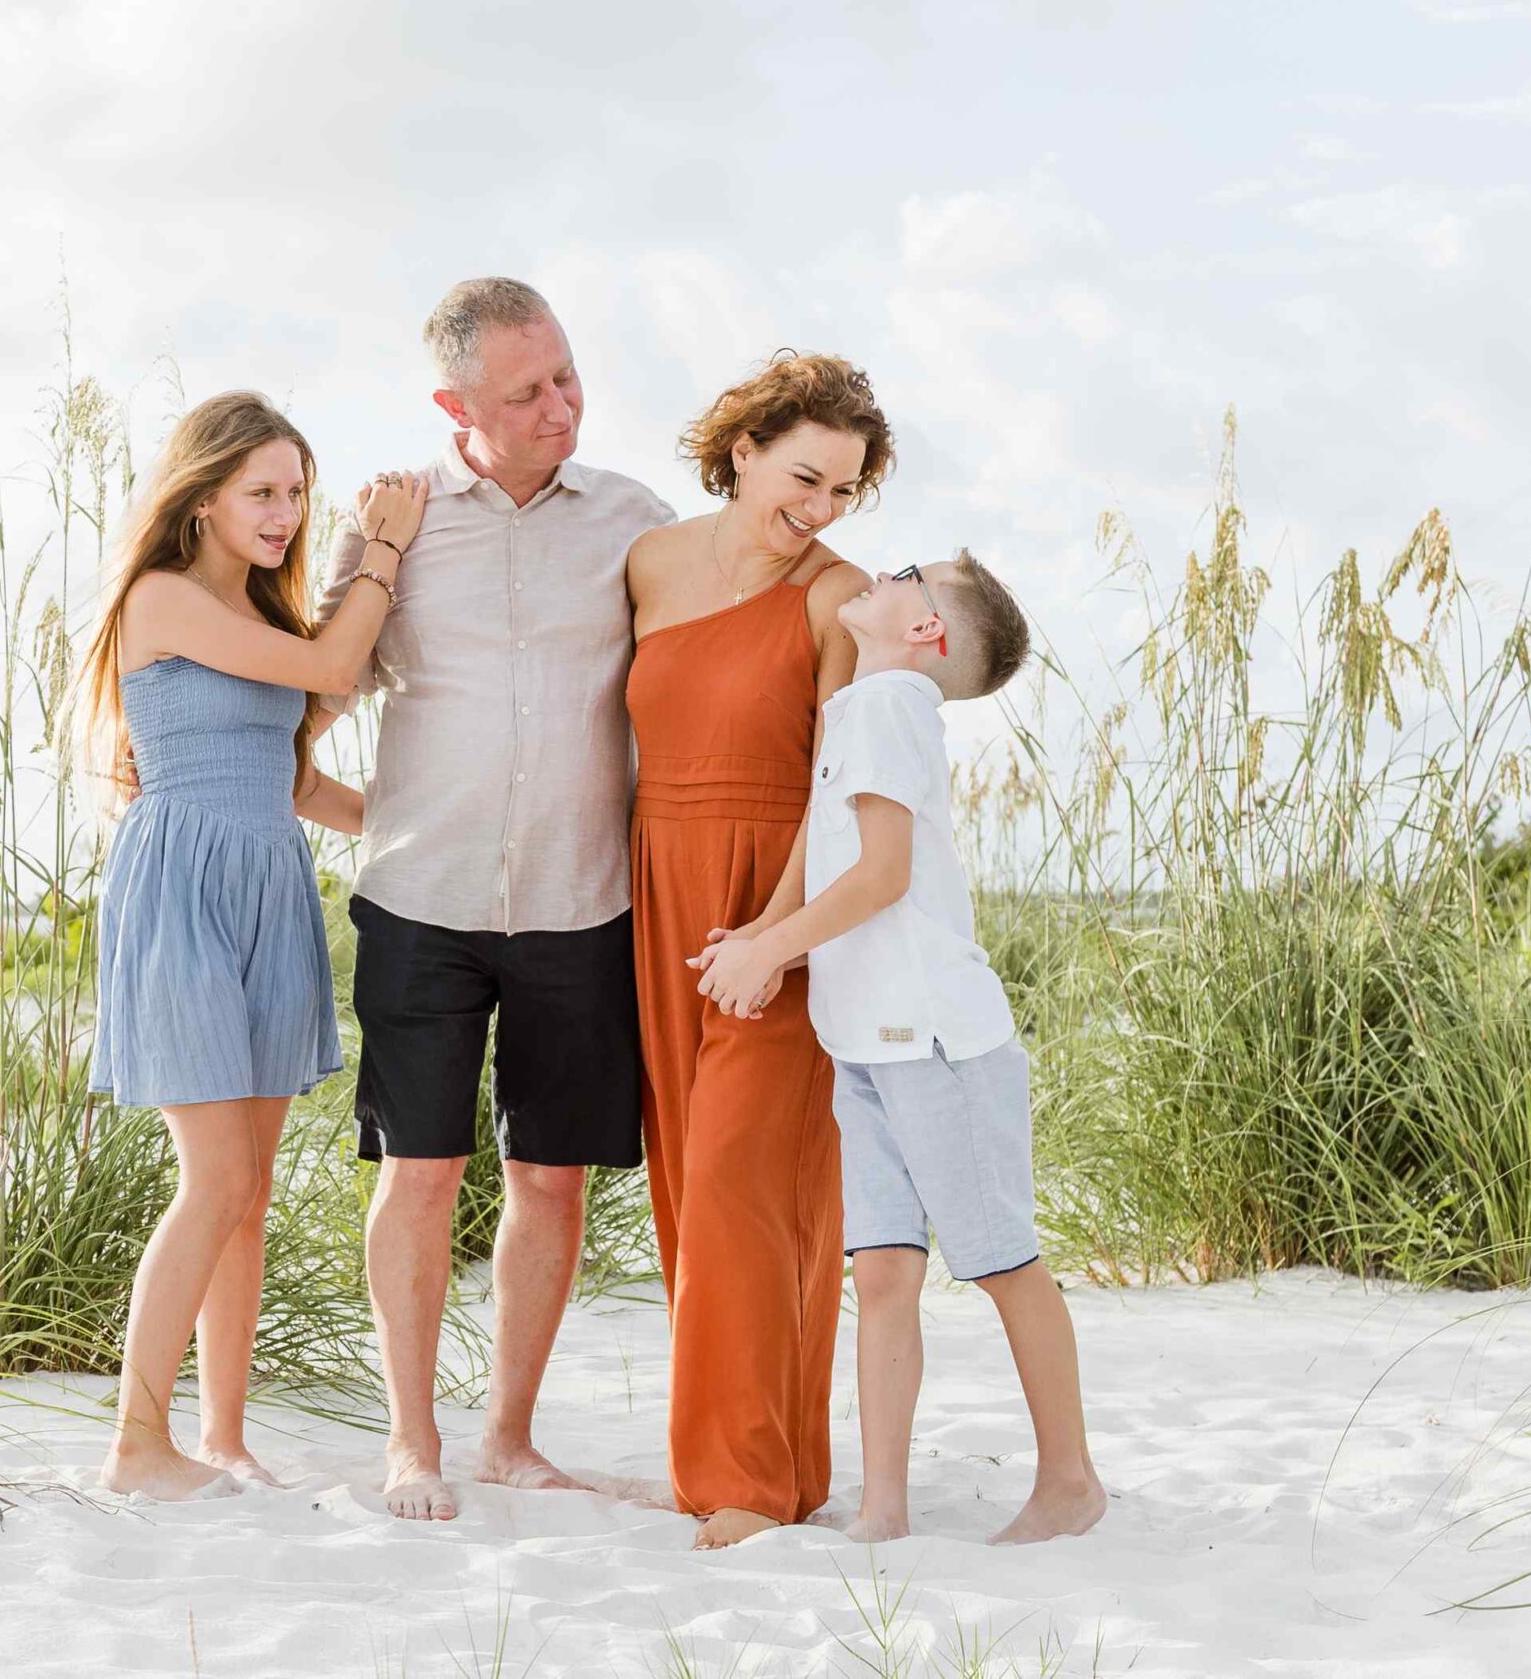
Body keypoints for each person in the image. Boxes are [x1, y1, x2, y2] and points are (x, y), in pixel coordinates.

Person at [312, 278, 675, 1521]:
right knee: (419, 1171)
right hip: (422, 900)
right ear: (452, 404)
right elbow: (312, 697)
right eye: (525, 393)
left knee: (553, 1178)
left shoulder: (636, 520)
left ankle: (510, 1435)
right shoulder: (392, 524)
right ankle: (412, 1440)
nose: (560, 405)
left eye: (567, 375)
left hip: (583, 901)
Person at [690, 553, 1107, 1545]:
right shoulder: (863, 706)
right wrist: (758, 937)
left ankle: (1069, 1480)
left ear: (930, 634)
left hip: (935, 1042)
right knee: (881, 1274)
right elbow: (839, 859)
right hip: (864, 1042)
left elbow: (881, 876)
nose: (883, 569)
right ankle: (882, 1509)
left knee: (1003, 1261)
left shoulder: (886, 710)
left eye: (909, 574)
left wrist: (769, 949)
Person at [76, 390, 423, 1501]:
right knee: (213, 1175)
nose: (283, 513)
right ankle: (136, 1442)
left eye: (295, 494)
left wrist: (429, 825)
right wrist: (381, 552)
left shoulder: (268, 627)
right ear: (205, 495)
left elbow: (302, 778)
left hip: (269, 881)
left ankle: (220, 1437)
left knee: (252, 1188)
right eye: (261, 493)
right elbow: (335, 673)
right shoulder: (160, 598)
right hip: (182, 885)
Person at [622, 351, 888, 1548]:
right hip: (659, 890)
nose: (820, 510)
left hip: (774, 900)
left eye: (842, 489)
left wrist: (776, 938)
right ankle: (776, 1463)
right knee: (692, 1183)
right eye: (803, 477)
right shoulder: (649, 563)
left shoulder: (843, 598)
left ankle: (740, 1485)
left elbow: (835, 789)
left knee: (747, 1183)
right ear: (741, 449)